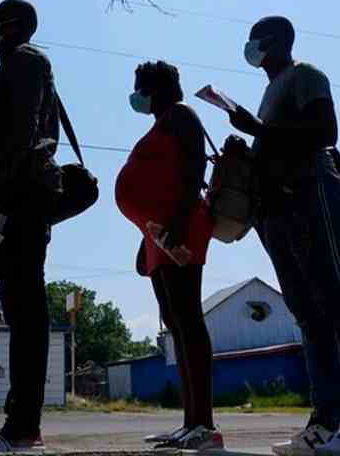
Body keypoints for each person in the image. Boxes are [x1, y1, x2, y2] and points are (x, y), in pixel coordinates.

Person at [226, 16, 340, 456]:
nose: (252, 47)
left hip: (311, 194)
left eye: (257, 40)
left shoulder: (306, 75)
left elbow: (324, 133)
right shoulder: (271, 89)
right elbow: (278, 142)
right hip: (277, 209)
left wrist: (258, 131)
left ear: (278, 42)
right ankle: (324, 422)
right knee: (309, 316)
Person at [0, 0, 61, 454]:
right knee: (21, 311)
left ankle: (23, 429)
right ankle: (19, 425)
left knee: (26, 313)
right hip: (19, 192)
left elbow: (20, 134)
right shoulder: (23, 63)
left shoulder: (23, 60)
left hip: (22, 194)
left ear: (12, 26)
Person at [115, 61, 219, 451]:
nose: (136, 95)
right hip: (160, 236)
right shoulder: (162, 122)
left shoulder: (181, 115)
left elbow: (194, 169)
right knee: (175, 323)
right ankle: (189, 422)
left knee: (188, 319)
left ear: (156, 89)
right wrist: (146, 238)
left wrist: (174, 222)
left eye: (140, 87)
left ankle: (204, 424)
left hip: (181, 230)